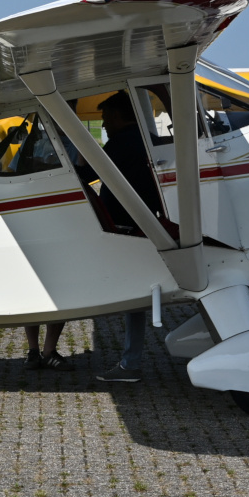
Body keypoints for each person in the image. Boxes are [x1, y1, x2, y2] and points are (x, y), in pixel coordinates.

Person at [81, 92, 162, 384]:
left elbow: (84, 172)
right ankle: (131, 361)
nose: (103, 126)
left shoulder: (121, 143)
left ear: (117, 116)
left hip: (126, 228)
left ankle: (131, 364)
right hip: (141, 223)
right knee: (135, 299)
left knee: (132, 299)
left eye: (105, 119)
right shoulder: (142, 140)